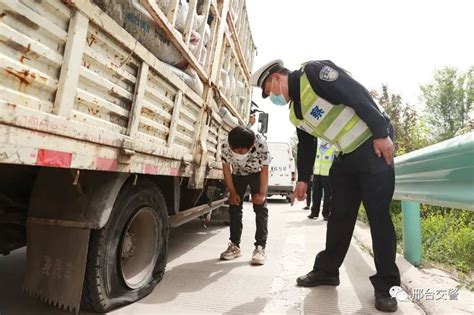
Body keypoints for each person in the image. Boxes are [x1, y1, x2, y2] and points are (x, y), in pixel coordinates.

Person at [250, 59, 400, 312]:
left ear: (276, 78)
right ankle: (328, 270)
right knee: (339, 216)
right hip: (346, 156)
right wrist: (303, 179)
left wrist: (381, 132)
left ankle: (387, 287)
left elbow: (354, 92)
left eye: (270, 91)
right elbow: (307, 145)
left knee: (378, 217)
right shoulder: (295, 113)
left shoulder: (313, 72)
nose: (273, 97)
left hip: (372, 145)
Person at [220, 126, 270, 265]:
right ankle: (235, 246)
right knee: (235, 207)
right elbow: (226, 170)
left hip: (256, 174)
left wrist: (261, 193)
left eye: (242, 150)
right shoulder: (225, 145)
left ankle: (260, 248)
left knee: (260, 209)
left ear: (251, 145)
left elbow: (265, 171)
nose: (238, 152)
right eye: (235, 149)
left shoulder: (261, 144)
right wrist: (232, 192)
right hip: (237, 175)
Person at [308, 139, 335, 220]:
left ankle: (326, 214)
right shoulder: (317, 149)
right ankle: (314, 213)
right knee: (315, 195)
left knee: (327, 196)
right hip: (317, 175)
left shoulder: (332, 149)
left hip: (328, 176)